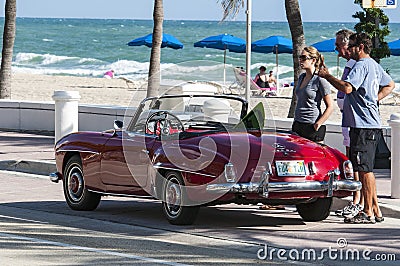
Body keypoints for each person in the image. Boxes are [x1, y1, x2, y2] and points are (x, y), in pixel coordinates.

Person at [318, 32, 395, 224]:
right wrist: (373, 99)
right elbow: (390, 84)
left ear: (360, 47)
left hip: (363, 125)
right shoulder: (374, 65)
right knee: (366, 169)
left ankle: (367, 211)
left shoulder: (360, 65)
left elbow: (347, 88)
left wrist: (327, 76)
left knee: (364, 170)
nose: (349, 50)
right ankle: (374, 210)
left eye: (351, 46)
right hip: (370, 124)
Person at [333, 29, 363, 219]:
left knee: (357, 163)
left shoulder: (357, 66)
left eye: (339, 46)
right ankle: (355, 200)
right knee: (351, 159)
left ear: (348, 46)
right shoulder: (349, 65)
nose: (337, 51)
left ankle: (357, 201)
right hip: (347, 120)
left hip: (354, 122)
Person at [292, 46, 334, 143]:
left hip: (312, 125)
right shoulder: (301, 77)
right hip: (298, 124)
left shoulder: (319, 79)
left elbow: (330, 106)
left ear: (313, 60)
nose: (300, 60)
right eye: (300, 57)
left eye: (303, 58)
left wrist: (318, 124)